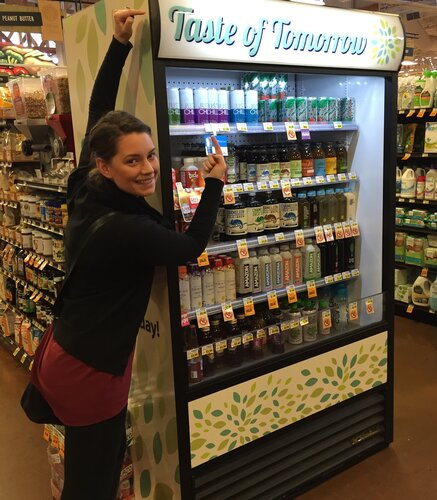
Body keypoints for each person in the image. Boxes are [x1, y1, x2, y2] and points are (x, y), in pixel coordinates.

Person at [27, 9, 226, 500]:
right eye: (133, 160)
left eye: (151, 155)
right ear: (107, 165)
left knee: (99, 461)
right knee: (92, 480)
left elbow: (98, 115)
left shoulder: (86, 186)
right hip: (90, 371)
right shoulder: (127, 229)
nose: (148, 169)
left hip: (68, 350)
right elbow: (189, 246)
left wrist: (118, 46)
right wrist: (215, 185)